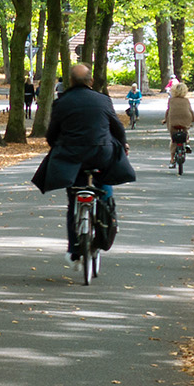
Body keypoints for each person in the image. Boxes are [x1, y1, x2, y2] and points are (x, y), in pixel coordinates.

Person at [33, 62, 136, 258]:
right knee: (104, 181)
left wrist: (56, 146)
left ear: (70, 81)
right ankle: (106, 218)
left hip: (71, 157)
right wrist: (122, 146)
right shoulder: (103, 100)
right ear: (91, 80)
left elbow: (52, 133)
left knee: (73, 199)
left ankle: (74, 248)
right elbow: (117, 129)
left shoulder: (61, 103)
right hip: (100, 154)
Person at [164, 80, 194, 162]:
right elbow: (190, 111)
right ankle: (187, 143)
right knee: (186, 131)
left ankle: (172, 159)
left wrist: (165, 119)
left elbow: (168, 111)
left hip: (173, 121)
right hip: (185, 119)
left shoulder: (171, 100)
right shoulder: (186, 100)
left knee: (173, 139)